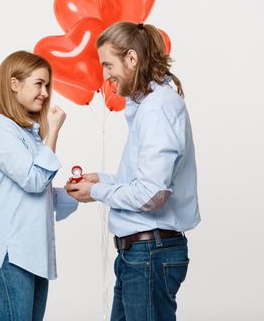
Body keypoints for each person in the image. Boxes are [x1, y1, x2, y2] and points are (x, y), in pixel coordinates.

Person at [65, 21, 201, 321]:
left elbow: (152, 193)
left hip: (150, 253)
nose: (105, 75)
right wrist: (101, 180)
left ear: (131, 58)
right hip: (142, 254)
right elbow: (147, 182)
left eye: (108, 64)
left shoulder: (157, 108)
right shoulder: (148, 107)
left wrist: (97, 192)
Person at [0, 50, 78, 321]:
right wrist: (53, 130)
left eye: (47, 85)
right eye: (39, 83)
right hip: (9, 256)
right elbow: (34, 181)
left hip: (31, 254)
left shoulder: (27, 133)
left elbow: (33, 192)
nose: (45, 92)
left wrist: (75, 193)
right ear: (14, 84)